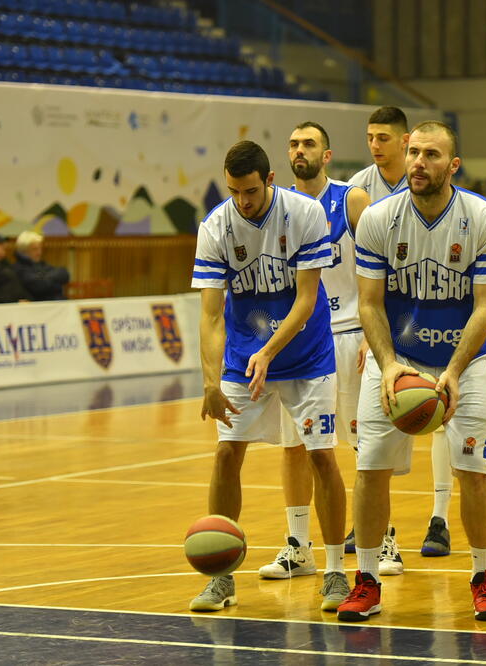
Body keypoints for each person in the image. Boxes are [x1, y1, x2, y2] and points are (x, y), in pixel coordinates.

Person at [338, 121, 486, 622]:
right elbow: (368, 304)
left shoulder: (484, 218)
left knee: (473, 469)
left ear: (452, 166)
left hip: (468, 361)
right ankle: (366, 579)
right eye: (413, 152)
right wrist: (388, 364)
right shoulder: (377, 219)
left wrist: (454, 371)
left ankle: (484, 578)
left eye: (431, 154)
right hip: (399, 359)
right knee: (370, 466)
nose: (417, 162)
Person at [188, 140, 347, 613]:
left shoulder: (304, 214)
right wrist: (211, 383)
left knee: (322, 457)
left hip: (307, 356)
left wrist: (269, 352)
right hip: (243, 357)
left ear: (270, 179)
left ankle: (336, 569)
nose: (243, 201)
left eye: (251, 191)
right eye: (235, 191)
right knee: (225, 453)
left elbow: (306, 299)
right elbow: (212, 316)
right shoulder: (215, 226)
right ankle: (221, 578)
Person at [253, 121, 371, 610]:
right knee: (294, 447)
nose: (300, 150)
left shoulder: (352, 201)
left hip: (350, 335)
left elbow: (377, 264)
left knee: (364, 444)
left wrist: (371, 327)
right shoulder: (276, 207)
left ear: (327, 155)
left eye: (310, 144)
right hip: (300, 340)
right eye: (294, 144)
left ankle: (375, 539)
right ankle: (299, 546)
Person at [349, 105, 456, 560]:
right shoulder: (360, 192)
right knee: (371, 443)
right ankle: (382, 535)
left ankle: (440, 518)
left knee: (443, 424)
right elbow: (371, 281)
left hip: (440, 324)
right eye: (370, 137)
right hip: (389, 331)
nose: (376, 145)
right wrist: (370, 338)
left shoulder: (443, 194)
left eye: (384, 138)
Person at [14, 230, 70, 301]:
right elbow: (39, 286)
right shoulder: (19, 268)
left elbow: (64, 273)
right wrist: (53, 280)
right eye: (35, 249)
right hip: (39, 307)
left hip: (57, 303)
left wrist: (44, 277)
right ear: (24, 251)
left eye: (40, 248)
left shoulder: (41, 264)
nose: (39, 252)